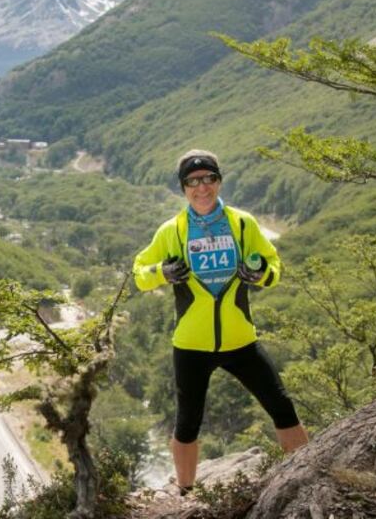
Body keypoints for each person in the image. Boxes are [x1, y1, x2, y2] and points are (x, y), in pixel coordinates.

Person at [132, 149, 308, 495]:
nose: (202, 187)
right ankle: (185, 492)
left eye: (209, 178)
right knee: (187, 422)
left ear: (219, 181)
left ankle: (307, 475)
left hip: (241, 339)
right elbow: (139, 273)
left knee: (281, 405)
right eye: (193, 182)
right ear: (183, 188)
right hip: (191, 343)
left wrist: (261, 274)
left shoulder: (242, 223)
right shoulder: (172, 231)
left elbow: (273, 266)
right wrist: (161, 273)